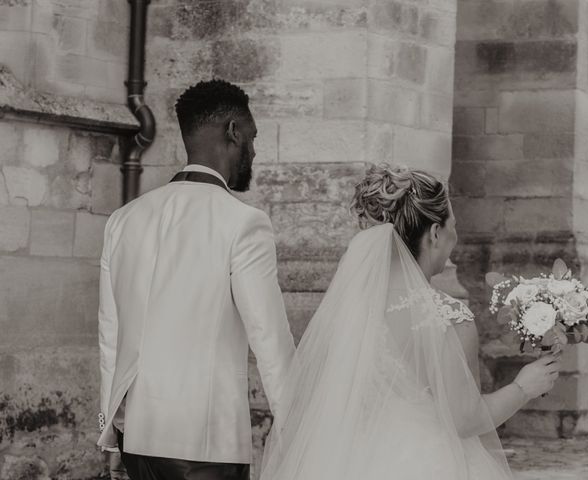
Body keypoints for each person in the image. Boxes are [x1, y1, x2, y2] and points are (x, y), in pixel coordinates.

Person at [260, 164, 560, 480]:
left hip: (349, 461)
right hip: (429, 463)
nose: (454, 237)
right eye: (452, 226)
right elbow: (467, 419)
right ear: (434, 233)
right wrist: (524, 387)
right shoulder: (448, 316)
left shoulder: (348, 311)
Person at [97, 79, 295, 480]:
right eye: (253, 138)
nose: (254, 151)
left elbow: (110, 335)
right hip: (206, 444)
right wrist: (301, 425)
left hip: (137, 436)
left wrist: (110, 428)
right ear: (233, 132)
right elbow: (269, 339)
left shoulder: (124, 219)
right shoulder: (244, 223)